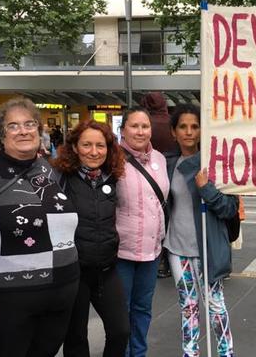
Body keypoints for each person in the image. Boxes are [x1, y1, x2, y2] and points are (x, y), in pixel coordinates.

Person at [0, 97, 80, 357]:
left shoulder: (52, 170)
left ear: (39, 130)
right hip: (5, 301)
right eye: (13, 126)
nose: (23, 131)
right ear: (1, 135)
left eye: (29, 124)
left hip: (61, 295)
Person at [164, 104, 237, 357]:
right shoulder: (168, 164)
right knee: (188, 307)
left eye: (195, 126)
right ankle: (190, 353)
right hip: (177, 249)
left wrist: (207, 189)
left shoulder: (216, 164)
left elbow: (230, 209)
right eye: (183, 127)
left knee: (216, 307)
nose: (189, 132)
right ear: (173, 132)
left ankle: (226, 353)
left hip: (207, 249)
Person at [53, 120, 130, 357]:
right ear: (74, 147)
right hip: (73, 272)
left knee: (120, 331)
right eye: (86, 144)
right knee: (75, 337)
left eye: (100, 145)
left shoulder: (113, 177)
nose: (94, 152)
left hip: (106, 269)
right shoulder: (59, 177)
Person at [115, 107, 169, 357]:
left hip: (152, 250)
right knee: (121, 310)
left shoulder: (159, 158)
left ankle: (139, 353)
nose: (140, 131)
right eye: (134, 126)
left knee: (143, 308)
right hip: (121, 251)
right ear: (123, 129)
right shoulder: (111, 157)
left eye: (144, 126)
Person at [141, 92, 176, 278]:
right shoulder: (171, 122)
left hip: (147, 175)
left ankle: (158, 259)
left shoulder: (146, 124)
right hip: (171, 173)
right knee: (170, 217)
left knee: (152, 216)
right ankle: (170, 261)